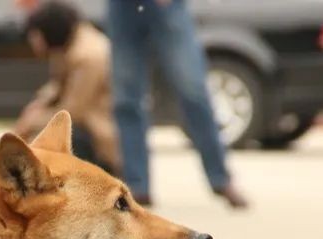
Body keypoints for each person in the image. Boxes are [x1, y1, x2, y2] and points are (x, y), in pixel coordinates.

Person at [106, 0, 247, 208]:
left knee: (193, 89)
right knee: (127, 101)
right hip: (123, 7)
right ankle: (137, 186)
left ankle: (221, 178)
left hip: (166, 7)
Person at [16, 1, 120, 175]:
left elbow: (73, 111)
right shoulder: (71, 46)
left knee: (60, 136)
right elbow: (56, 89)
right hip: (91, 130)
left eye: (35, 36)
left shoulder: (88, 56)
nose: (34, 43)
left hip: (101, 141)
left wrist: (30, 122)